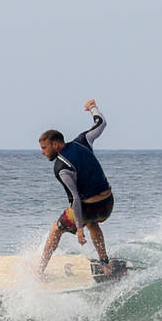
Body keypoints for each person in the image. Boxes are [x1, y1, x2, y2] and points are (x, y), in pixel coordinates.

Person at [39, 99, 115, 274]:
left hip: (89, 207)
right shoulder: (83, 140)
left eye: (44, 148)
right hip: (108, 204)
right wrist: (92, 107)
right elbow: (101, 123)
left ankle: (39, 271)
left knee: (57, 228)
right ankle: (105, 264)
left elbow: (74, 199)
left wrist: (79, 228)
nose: (43, 152)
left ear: (56, 144)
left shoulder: (61, 167)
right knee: (93, 223)